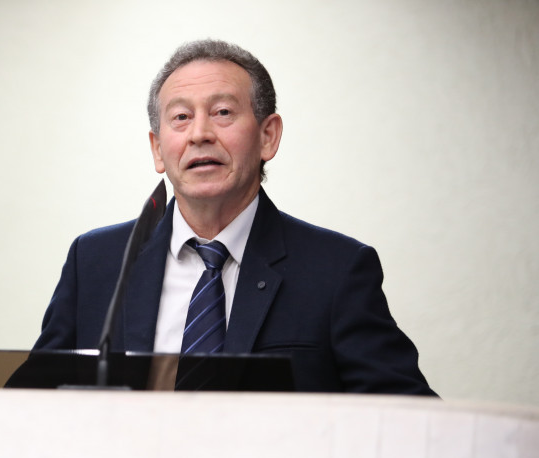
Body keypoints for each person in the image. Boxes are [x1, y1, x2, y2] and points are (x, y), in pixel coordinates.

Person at [31, 39, 436, 396]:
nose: (199, 134)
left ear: (268, 136)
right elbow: (29, 401)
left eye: (222, 112)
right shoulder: (97, 262)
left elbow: (407, 418)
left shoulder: (337, 271)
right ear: (158, 149)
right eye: (181, 118)